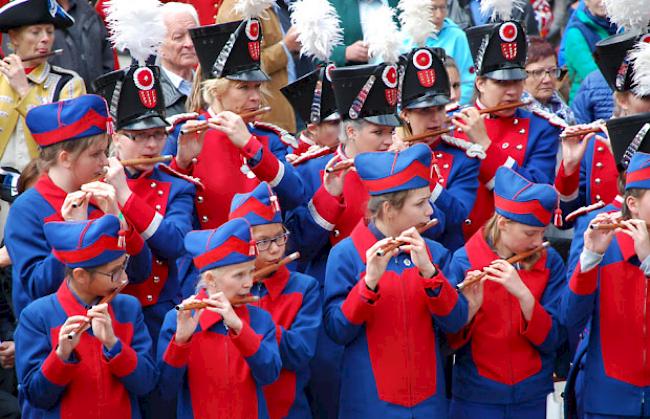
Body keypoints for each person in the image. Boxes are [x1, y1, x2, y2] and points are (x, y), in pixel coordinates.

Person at [284, 60, 401, 418]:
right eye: (377, 132)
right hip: (331, 301)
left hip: (391, 293)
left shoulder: (401, 166)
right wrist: (329, 198)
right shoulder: (309, 169)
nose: (388, 140)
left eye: (390, 131)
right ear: (350, 132)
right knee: (332, 396)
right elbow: (298, 247)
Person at [323, 143, 468, 418]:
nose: (430, 211)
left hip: (429, 405)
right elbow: (337, 331)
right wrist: (368, 284)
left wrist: (430, 273)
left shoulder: (434, 253)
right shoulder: (346, 254)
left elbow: (456, 322)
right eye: (420, 203)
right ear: (389, 209)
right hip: (369, 405)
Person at [5, 95, 151, 317]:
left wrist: (118, 217)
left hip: (110, 330)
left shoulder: (100, 195)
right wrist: (73, 232)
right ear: (65, 159)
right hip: (54, 334)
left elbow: (141, 272)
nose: (104, 161)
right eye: (95, 154)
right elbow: (37, 287)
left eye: (105, 151)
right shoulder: (27, 209)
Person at [164, 17, 305, 231]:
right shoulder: (183, 133)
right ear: (215, 90)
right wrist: (182, 164)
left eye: (257, 87)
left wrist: (251, 146)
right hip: (208, 257)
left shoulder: (268, 138)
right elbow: (167, 208)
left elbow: (295, 196)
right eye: (243, 88)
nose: (255, 97)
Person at [447, 167, 566, 419]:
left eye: (542, 232)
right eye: (530, 233)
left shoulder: (550, 262)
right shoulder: (463, 260)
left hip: (531, 394)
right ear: (502, 223)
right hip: (476, 396)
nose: (538, 241)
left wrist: (525, 297)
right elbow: (449, 339)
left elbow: (554, 338)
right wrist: (467, 310)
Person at [14, 215, 158, 418]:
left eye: (124, 265)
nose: (124, 278)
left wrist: (113, 344)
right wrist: (61, 356)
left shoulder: (128, 308)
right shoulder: (37, 316)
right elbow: (37, 397)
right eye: (114, 272)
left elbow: (146, 384)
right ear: (81, 275)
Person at [157, 218, 282, 418]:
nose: (249, 283)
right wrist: (180, 343)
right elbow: (165, 389)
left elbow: (270, 376)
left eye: (251, 272)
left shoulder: (260, 319)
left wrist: (241, 330)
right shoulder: (179, 318)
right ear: (210, 279)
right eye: (239, 275)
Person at [562, 150, 650, 419]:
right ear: (632, 203)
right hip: (608, 398)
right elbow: (570, 318)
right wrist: (589, 259)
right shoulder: (605, 241)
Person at [459, 19, 562, 239]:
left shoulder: (541, 128)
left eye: (517, 82)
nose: (512, 92)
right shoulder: (453, 124)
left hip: (516, 243)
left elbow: (535, 194)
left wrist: (485, 145)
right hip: (463, 245)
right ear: (480, 83)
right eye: (502, 83)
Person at [229, 182, 321, 419]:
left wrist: (257, 324)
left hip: (287, 408)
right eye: (262, 242)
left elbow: (300, 353)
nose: (275, 250)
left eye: (279, 237)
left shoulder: (303, 287)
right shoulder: (222, 291)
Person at [0, 0, 86, 238]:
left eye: (49, 31)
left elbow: (66, 143)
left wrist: (24, 90)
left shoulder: (68, 83)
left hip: (43, 196)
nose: (46, 38)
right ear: (14, 38)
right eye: (36, 32)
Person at [399, 46, 483, 251]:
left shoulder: (464, 157)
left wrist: (418, 171)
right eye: (425, 111)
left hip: (443, 261)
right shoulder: (385, 153)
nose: (436, 119)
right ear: (405, 114)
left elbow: (458, 215)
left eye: (439, 109)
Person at [216, 0, 297, 132]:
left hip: (286, 112)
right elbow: (242, 66)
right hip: (262, 120)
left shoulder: (274, 4)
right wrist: (286, 47)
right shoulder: (238, 5)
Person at [402, 0, 475, 105]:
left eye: (443, 8)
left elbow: (468, 82)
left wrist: (449, 107)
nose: (439, 15)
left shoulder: (457, 36)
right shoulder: (402, 40)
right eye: (432, 9)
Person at [49, 0, 115, 90]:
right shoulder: (40, 11)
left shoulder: (88, 11)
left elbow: (107, 56)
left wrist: (104, 88)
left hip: (94, 96)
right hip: (58, 97)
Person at [281, 64, 340, 161]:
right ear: (313, 128)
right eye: (335, 123)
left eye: (345, 120)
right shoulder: (291, 156)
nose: (344, 128)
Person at [563, 0, 616, 103]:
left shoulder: (619, 26)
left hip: (615, 95)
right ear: (586, 2)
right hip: (587, 101)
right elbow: (591, 74)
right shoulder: (576, 33)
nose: (603, 2)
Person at [328, 0, 399, 67]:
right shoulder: (332, 4)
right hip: (356, 76)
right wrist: (344, 53)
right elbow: (318, 53)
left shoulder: (400, 3)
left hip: (401, 73)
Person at [159, 2, 200, 117]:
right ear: (158, 44)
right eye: (178, 37)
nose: (189, 43)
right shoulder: (151, 93)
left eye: (193, 34)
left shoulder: (212, 87)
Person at [523, 36, 576, 125]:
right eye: (538, 72)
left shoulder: (558, 100)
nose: (547, 79)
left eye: (553, 71)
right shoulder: (517, 111)